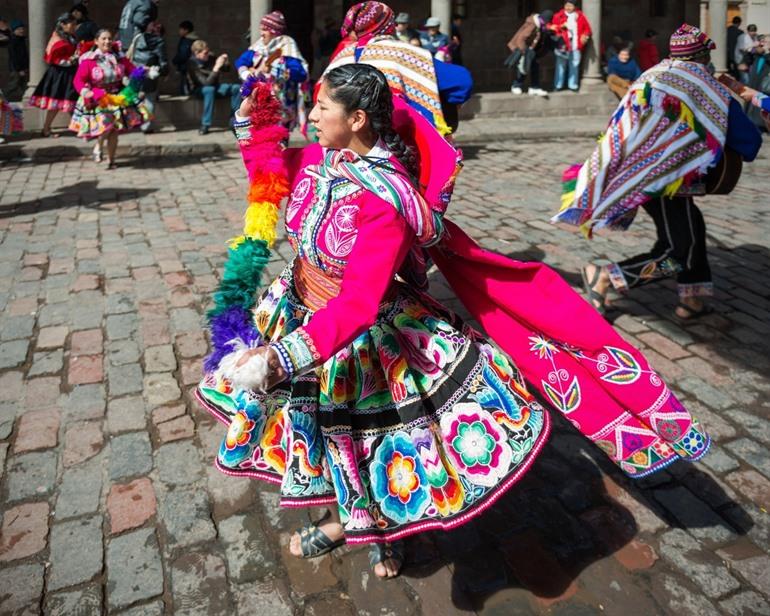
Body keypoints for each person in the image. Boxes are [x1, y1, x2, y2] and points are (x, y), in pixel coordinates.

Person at [197, 63, 712, 582]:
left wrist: (279, 357)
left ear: (356, 118)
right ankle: (350, 519)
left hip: (360, 338)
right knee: (329, 437)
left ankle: (379, 528)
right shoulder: (318, 159)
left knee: (376, 442)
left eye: (323, 106)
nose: (311, 114)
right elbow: (269, 175)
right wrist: (252, 126)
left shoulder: (386, 202)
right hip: (299, 308)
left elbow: (357, 304)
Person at [554, 24, 762, 320]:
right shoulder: (708, 87)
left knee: (692, 231)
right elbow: (750, 144)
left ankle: (693, 300)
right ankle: (607, 277)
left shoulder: (649, 78)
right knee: (679, 250)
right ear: (703, 56)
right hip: (666, 182)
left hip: (641, 173)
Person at [324, 2, 472, 136]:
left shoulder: (341, 57)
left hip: (350, 143)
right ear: (388, 24)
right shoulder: (404, 53)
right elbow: (461, 81)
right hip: (402, 142)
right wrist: (450, 103)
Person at [69, 28, 152, 168]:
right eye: (103, 38)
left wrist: (144, 71)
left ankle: (111, 160)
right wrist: (85, 92)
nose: (107, 41)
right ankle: (99, 145)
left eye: (109, 39)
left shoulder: (119, 57)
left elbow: (132, 70)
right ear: (96, 41)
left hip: (117, 97)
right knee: (107, 125)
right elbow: (78, 80)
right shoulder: (89, 60)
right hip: (98, 98)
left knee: (114, 130)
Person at [234, 11, 308, 134]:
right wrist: (247, 74)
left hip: (280, 105)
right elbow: (241, 62)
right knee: (259, 138)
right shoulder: (258, 47)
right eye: (261, 29)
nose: (261, 33)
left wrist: (278, 70)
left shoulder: (287, 46)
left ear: (275, 32)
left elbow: (300, 74)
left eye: (265, 30)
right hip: (259, 103)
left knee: (278, 140)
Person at [28, 13, 80, 137]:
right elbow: (52, 58)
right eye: (72, 24)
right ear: (63, 25)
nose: (74, 27)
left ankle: (80, 127)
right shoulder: (57, 38)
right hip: (59, 74)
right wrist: (70, 61)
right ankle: (46, 129)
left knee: (74, 100)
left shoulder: (71, 37)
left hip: (71, 72)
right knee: (56, 103)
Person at [187, 39, 240, 135]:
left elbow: (226, 69)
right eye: (205, 53)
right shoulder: (192, 64)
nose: (207, 54)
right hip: (199, 89)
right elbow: (205, 83)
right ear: (196, 53)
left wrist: (225, 61)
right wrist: (216, 68)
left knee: (236, 88)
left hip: (216, 87)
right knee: (209, 89)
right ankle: (205, 124)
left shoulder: (211, 57)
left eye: (208, 52)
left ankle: (234, 119)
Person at [506, 9, 553, 96]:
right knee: (523, 67)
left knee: (534, 67)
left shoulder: (540, 25)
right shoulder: (533, 25)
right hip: (523, 49)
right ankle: (516, 85)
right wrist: (524, 53)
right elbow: (521, 39)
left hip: (530, 50)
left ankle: (534, 87)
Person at [131, 20, 167, 133]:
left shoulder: (138, 37)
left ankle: (133, 121)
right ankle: (146, 126)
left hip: (136, 69)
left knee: (134, 95)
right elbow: (163, 59)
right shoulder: (159, 41)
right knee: (150, 99)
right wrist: (165, 71)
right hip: (150, 71)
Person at [549, 1, 592, 92]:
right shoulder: (558, 16)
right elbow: (552, 28)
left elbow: (587, 29)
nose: (568, 7)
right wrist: (561, 26)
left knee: (574, 65)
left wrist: (585, 35)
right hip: (562, 45)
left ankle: (573, 85)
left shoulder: (580, 16)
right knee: (560, 65)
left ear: (574, 6)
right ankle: (558, 85)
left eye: (570, 5)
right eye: (566, 5)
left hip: (575, 44)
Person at [745, 35, 769, 131]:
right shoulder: (758, 54)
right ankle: (751, 121)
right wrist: (752, 47)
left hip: (765, 85)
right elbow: (747, 57)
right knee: (751, 103)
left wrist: (767, 51)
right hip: (754, 81)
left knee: (761, 104)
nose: (763, 43)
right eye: (762, 41)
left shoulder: (767, 55)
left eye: (766, 41)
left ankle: (762, 124)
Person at [171, 20, 197, 95]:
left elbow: (183, 54)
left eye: (181, 29)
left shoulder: (187, 41)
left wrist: (175, 61)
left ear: (186, 30)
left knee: (186, 90)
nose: (179, 31)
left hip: (186, 68)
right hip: (193, 67)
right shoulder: (194, 40)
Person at [6, 19, 29, 101]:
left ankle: (27, 101)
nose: (22, 31)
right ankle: (3, 98)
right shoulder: (13, 41)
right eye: (19, 29)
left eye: (22, 28)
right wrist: (19, 70)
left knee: (24, 86)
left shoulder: (21, 40)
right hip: (16, 69)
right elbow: (14, 57)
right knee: (13, 86)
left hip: (23, 68)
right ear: (14, 30)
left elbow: (24, 56)